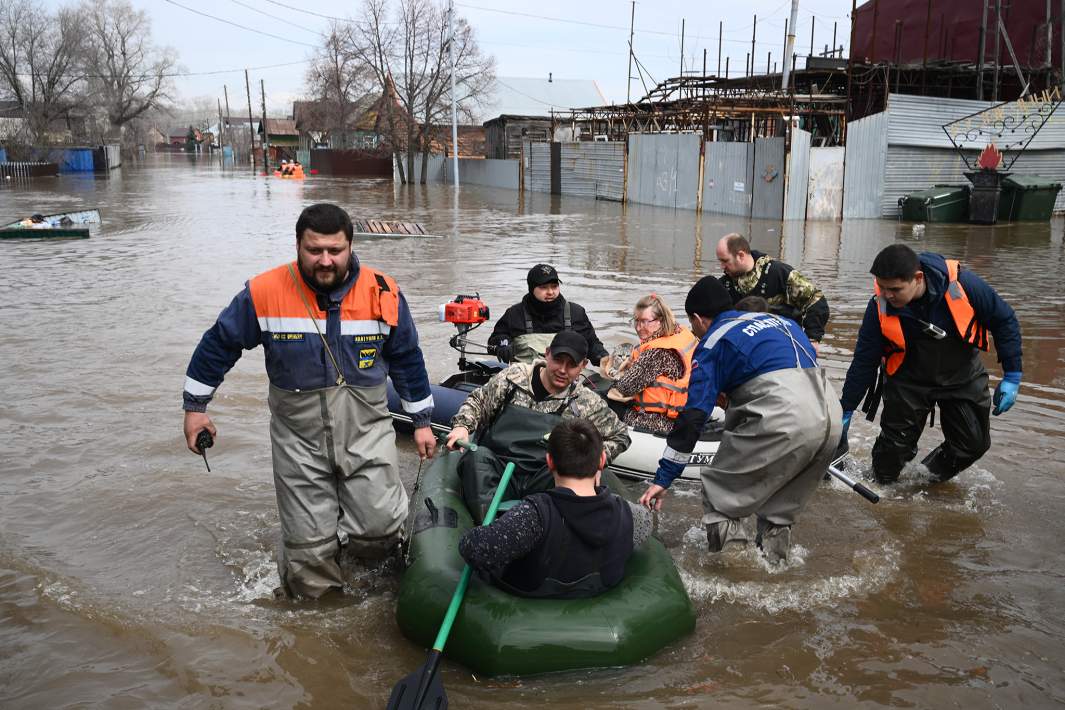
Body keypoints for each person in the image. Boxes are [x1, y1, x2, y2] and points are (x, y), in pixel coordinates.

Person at [181, 203, 436, 599]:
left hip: (366, 429)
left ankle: (367, 580)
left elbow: (407, 357)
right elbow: (219, 344)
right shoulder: (263, 292)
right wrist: (195, 409)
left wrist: (421, 421)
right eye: (314, 250)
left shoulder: (383, 291)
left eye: (335, 250)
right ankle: (316, 611)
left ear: (351, 245)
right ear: (298, 245)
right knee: (308, 554)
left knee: (381, 526)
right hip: (297, 438)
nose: (325, 260)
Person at [639, 276, 841, 564]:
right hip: (828, 416)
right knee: (778, 510)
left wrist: (664, 477)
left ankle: (733, 574)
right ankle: (775, 569)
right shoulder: (784, 323)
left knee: (720, 496)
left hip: (784, 419)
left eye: (693, 324)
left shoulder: (713, 341)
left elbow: (694, 416)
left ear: (697, 318)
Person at [839, 244, 1022, 485]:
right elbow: (865, 360)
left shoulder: (964, 285)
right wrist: (847, 407)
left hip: (962, 375)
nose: (886, 295)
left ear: (917, 278)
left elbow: (1004, 320)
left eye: (894, 289)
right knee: (890, 458)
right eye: (881, 287)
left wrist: (1012, 374)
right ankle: (885, 488)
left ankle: (923, 482)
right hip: (907, 380)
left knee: (973, 444)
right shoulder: (878, 307)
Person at [445, 330, 631, 523]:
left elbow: (620, 436)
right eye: (558, 360)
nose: (563, 370)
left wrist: (595, 462)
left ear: (583, 366)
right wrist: (462, 426)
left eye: (572, 365)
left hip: (548, 474)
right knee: (476, 457)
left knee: (572, 473)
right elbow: (478, 401)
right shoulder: (512, 378)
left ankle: (546, 528)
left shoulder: (587, 402)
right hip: (498, 468)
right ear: (547, 353)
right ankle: (488, 527)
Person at [458, 418, 651, 598]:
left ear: (549, 461)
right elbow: (648, 521)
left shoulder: (532, 515)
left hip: (529, 603)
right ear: (601, 461)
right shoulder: (634, 515)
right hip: (594, 598)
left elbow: (474, 549)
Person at [607, 293, 699, 435]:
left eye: (644, 321)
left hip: (661, 422)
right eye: (636, 321)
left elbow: (625, 388)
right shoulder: (680, 332)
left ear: (660, 321)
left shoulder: (656, 352)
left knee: (605, 401)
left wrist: (616, 377)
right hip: (684, 414)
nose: (638, 327)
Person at [716, 233, 829, 346]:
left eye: (725, 261)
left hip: (782, 344)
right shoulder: (723, 285)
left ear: (741, 255)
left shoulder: (779, 273)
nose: (722, 266)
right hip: (744, 347)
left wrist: (812, 339)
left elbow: (815, 300)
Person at [487, 263, 609, 367]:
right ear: (531, 288)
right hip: (524, 379)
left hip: (568, 379)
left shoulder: (576, 312)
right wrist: (503, 343)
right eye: (544, 287)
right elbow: (493, 342)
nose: (550, 292)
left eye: (554, 286)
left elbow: (592, 344)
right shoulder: (514, 313)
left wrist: (604, 359)